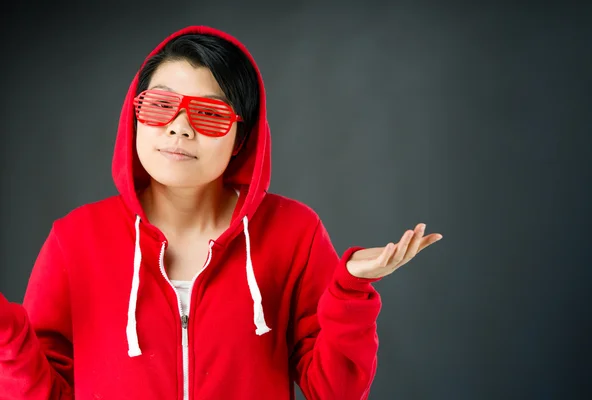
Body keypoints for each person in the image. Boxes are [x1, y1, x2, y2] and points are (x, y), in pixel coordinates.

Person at [0, 25, 442, 399]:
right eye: (159, 105)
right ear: (134, 115)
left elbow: (333, 389)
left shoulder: (294, 232)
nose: (179, 126)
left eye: (209, 114)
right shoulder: (75, 239)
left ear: (241, 138)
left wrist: (350, 290)